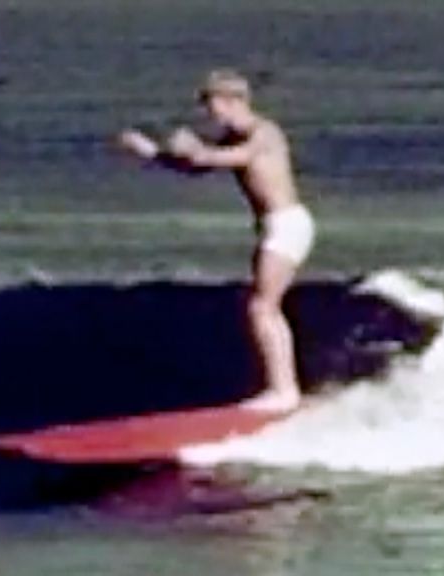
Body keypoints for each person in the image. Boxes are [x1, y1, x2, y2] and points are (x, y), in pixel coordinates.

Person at [117, 68, 314, 414]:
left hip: (288, 225)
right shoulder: (232, 136)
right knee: (263, 306)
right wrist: (151, 152)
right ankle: (283, 389)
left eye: (212, 106)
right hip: (274, 226)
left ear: (232, 101)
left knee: (262, 306)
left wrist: (194, 148)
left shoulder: (264, 133)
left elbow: (222, 158)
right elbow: (195, 167)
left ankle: (284, 392)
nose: (210, 114)